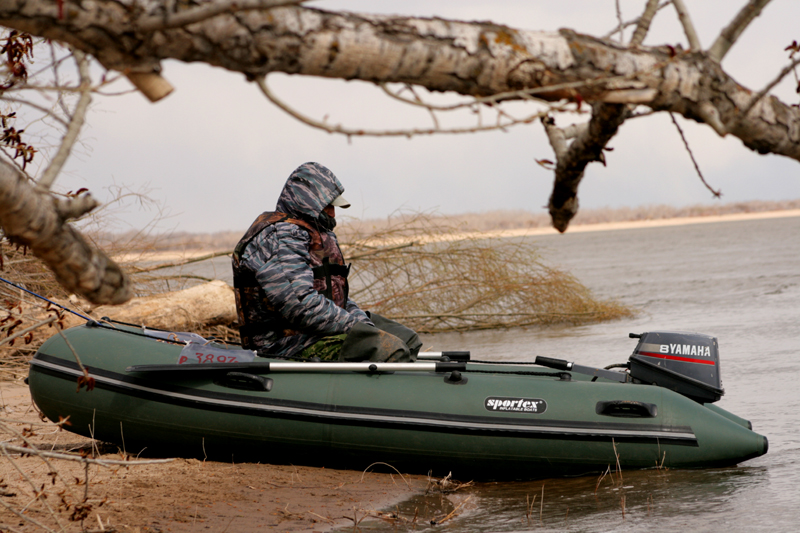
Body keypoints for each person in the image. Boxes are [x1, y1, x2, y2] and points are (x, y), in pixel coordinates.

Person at [232, 162, 422, 362]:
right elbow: (300, 306)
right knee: (387, 348)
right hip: (285, 347)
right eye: (328, 205)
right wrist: (356, 328)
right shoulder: (279, 237)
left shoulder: (313, 235)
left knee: (407, 339)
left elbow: (338, 297)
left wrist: (363, 324)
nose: (333, 213)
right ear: (309, 202)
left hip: (319, 333)